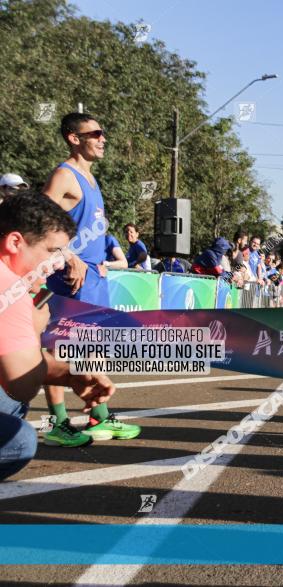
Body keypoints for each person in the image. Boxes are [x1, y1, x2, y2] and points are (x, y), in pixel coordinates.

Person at [0, 193, 116, 478]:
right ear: (15, 242)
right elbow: (22, 386)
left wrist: (68, 374)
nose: (58, 264)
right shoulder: (10, 288)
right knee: (17, 438)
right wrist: (33, 329)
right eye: (53, 251)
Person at [41, 112, 140, 445]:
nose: (103, 138)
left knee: (90, 350)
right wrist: (69, 255)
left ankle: (98, 417)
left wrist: (97, 261)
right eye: (95, 133)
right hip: (72, 278)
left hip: (93, 277)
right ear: (73, 138)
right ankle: (59, 422)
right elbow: (37, 219)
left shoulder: (91, 179)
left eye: (103, 133)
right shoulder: (65, 175)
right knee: (61, 349)